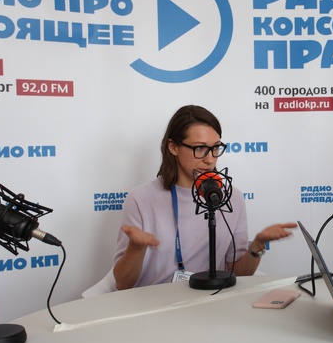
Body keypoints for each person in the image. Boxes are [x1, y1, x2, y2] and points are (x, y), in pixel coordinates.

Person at [113, 105, 297, 290]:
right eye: (200, 148)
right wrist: (136, 247)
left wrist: (257, 245)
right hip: (153, 303)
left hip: (210, 301)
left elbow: (238, 274)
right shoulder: (140, 199)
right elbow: (123, 283)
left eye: (215, 148)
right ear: (173, 147)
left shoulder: (232, 198)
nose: (210, 160)